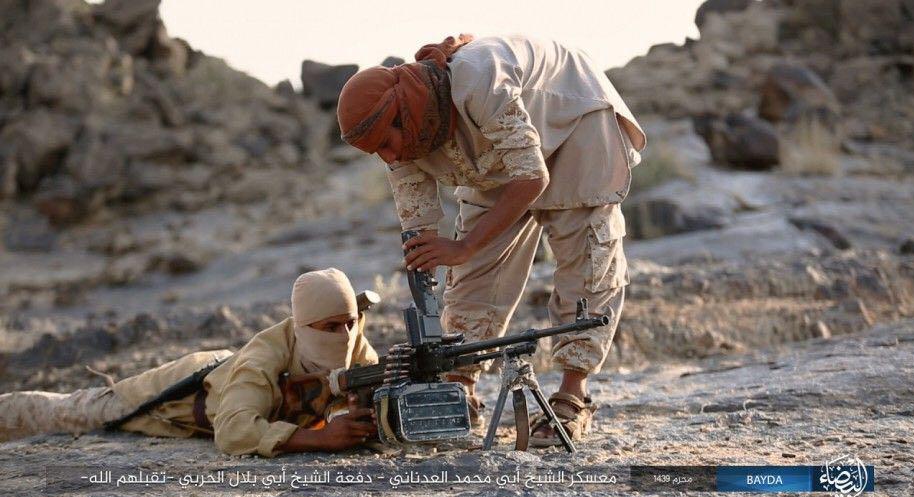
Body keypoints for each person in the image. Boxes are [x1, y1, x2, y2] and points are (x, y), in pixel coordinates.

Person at [336, 35, 646, 446]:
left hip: (574, 120)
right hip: (500, 154)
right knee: (472, 271)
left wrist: (462, 247)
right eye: (376, 152)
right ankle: (460, 391)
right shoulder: (400, 142)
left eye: (386, 144)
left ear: (402, 113)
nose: (389, 158)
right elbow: (423, 237)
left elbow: (532, 177)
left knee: (587, 252)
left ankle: (573, 396)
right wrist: (437, 274)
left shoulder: (478, 81)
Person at [0, 269, 379, 456]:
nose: (344, 336)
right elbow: (232, 433)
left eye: (349, 323)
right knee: (74, 412)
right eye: (330, 327)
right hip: (179, 393)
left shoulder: (357, 344)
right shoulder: (266, 354)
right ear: (303, 326)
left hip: (225, 372)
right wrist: (319, 439)